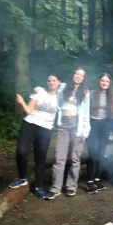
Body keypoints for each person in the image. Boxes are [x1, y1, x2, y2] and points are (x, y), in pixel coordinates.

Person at [9, 75, 60, 198]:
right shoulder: (40, 92)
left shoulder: (62, 96)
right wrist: (21, 102)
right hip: (30, 123)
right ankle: (22, 178)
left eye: (54, 80)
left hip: (46, 128)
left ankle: (38, 186)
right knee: (21, 151)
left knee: (40, 157)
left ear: (59, 82)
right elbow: (29, 111)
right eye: (49, 80)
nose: (51, 82)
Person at [46, 67, 91, 199]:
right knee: (59, 158)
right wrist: (39, 89)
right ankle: (55, 188)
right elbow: (51, 88)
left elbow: (86, 113)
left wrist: (85, 131)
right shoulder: (63, 87)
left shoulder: (85, 92)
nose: (78, 76)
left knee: (75, 158)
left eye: (81, 75)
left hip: (77, 126)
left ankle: (71, 187)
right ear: (73, 75)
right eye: (77, 73)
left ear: (84, 78)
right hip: (63, 126)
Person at [86, 73, 113, 194]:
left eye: (107, 81)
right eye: (103, 81)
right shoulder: (91, 93)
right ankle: (89, 181)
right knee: (92, 153)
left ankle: (97, 178)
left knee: (101, 153)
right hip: (93, 124)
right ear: (99, 81)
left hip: (105, 125)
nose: (104, 83)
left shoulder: (111, 95)